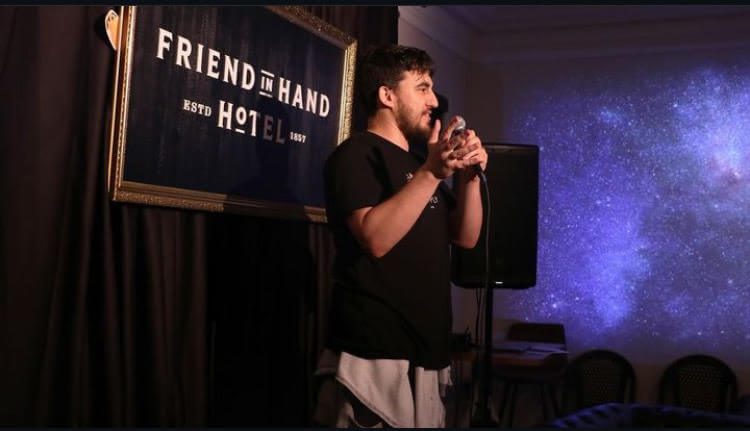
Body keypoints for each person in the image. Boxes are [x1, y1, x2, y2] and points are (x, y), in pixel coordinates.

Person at [314, 44, 487, 428]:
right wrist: (431, 174)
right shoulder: (355, 155)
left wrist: (468, 177)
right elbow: (374, 238)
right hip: (374, 355)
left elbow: (465, 237)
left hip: (425, 352)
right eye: (422, 87)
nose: (434, 99)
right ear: (386, 95)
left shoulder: (420, 165)